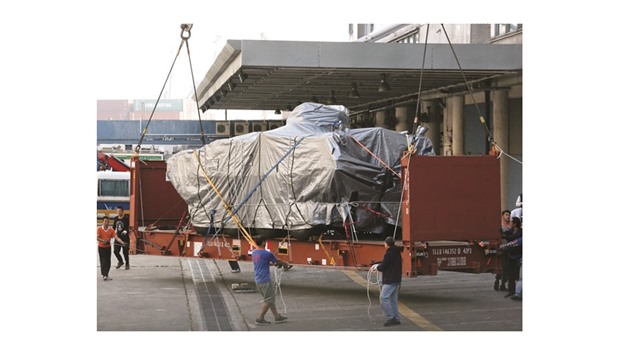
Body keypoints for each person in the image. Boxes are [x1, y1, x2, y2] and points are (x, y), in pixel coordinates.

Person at [251, 235, 292, 325]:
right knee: (269, 300)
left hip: (258, 279)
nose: (266, 243)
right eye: (265, 241)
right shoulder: (267, 253)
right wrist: (285, 264)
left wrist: (273, 264)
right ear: (263, 242)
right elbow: (277, 262)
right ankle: (260, 318)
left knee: (269, 299)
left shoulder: (254, 253)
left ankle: (277, 316)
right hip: (265, 280)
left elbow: (263, 263)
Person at [375, 236, 403, 326]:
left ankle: (390, 317)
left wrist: (377, 267)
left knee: (383, 298)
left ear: (386, 244)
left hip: (390, 280)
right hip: (396, 279)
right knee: (393, 300)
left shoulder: (389, 254)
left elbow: (383, 266)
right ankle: (396, 318)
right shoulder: (397, 252)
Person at [97, 216, 126, 281]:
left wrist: (122, 243)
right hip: (101, 247)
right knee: (103, 261)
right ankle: (104, 275)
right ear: (102, 222)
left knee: (108, 262)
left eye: (108, 221)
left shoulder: (111, 230)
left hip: (108, 247)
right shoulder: (99, 229)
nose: (107, 223)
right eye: (105, 221)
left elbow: (116, 237)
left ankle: (106, 274)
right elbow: (97, 238)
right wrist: (103, 241)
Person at [502, 217, 522, 298]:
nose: (510, 223)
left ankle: (518, 292)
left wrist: (505, 236)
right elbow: (507, 233)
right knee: (511, 275)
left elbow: (513, 239)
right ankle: (511, 291)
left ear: (515, 224)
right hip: (511, 256)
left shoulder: (520, 232)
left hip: (518, 256)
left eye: (511, 222)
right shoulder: (511, 231)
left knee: (517, 275)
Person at [494, 209, 512, 291]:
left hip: (510, 249)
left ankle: (503, 284)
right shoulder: (500, 225)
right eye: (506, 215)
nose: (508, 217)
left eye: (509, 215)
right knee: (502, 266)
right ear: (503, 216)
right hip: (502, 248)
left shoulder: (511, 224)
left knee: (507, 268)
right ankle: (497, 281)